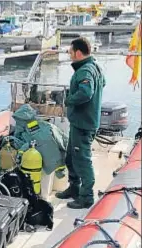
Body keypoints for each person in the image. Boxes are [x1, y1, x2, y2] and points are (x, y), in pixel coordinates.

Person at [56, 37, 106, 209]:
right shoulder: (95, 67)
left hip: (84, 124)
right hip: (80, 122)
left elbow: (86, 93)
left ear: (78, 52)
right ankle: (74, 187)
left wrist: (69, 99)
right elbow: (102, 84)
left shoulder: (85, 71)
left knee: (82, 160)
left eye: (70, 52)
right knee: (71, 157)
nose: (69, 55)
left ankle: (86, 197)